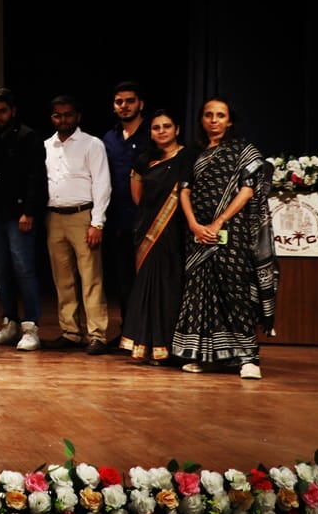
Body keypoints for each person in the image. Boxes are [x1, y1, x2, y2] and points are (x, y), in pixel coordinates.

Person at [172, 97, 278, 380]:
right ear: (202, 119)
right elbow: (184, 191)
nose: (214, 120)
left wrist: (219, 222)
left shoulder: (243, 151)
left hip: (232, 232)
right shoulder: (193, 153)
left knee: (234, 291)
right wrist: (195, 225)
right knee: (201, 294)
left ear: (229, 121)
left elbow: (247, 190)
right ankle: (208, 358)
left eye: (220, 115)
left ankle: (248, 358)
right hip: (197, 234)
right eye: (208, 115)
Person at [118, 109, 194, 364]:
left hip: (176, 230)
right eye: (156, 128)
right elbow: (137, 196)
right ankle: (145, 344)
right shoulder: (145, 159)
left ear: (177, 129)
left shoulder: (188, 156)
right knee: (147, 286)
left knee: (170, 286)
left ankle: (168, 346)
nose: (161, 131)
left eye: (166, 126)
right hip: (148, 230)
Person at [40, 94, 112, 355]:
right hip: (54, 216)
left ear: (78, 116)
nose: (63, 119)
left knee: (91, 278)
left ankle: (97, 334)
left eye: (68, 114)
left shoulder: (92, 144)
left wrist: (97, 222)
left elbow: (102, 183)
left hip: (83, 216)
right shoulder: (46, 146)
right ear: (52, 118)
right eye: (57, 115)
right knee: (63, 279)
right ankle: (71, 332)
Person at [0, 88, 46, 352]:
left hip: (19, 214)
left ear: (13, 111)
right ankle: (10, 323)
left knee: (24, 269)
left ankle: (31, 327)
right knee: (2, 270)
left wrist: (29, 211)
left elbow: (36, 177)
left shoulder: (28, 137)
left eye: (2, 111)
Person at [101, 81, 152, 347]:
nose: (124, 106)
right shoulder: (108, 138)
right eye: (119, 102)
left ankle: (149, 334)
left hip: (149, 219)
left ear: (140, 103)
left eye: (130, 101)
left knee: (148, 279)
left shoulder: (153, 133)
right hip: (118, 220)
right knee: (123, 281)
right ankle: (127, 334)